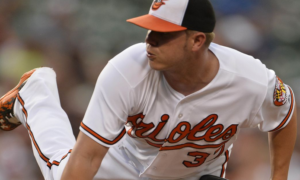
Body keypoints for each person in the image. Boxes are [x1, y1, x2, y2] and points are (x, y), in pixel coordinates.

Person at [0, 0, 297, 180]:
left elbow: (285, 113)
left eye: (162, 34)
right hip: (119, 164)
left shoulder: (250, 79)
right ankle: (36, 94)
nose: (149, 40)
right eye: (149, 29)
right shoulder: (127, 68)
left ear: (196, 41)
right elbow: (88, 157)